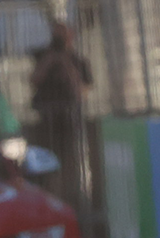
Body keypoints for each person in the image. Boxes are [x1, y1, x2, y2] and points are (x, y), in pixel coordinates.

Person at [30, 22, 92, 199]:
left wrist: (67, 64)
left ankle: (73, 194)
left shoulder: (77, 60)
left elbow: (85, 89)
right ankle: (46, 192)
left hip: (70, 115)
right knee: (46, 156)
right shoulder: (43, 56)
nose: (57, 38)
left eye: (62, 35)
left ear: (70, 36)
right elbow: (34, 79)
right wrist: (50, 59)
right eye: (55, 34)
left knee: (71, 156)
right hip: (47, 116)